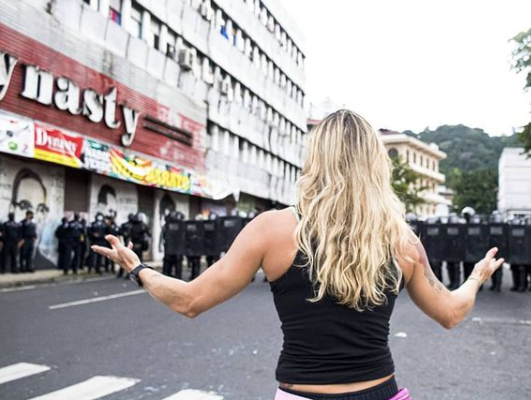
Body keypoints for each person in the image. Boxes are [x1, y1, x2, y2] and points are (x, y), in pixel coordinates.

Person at [93, 110, 504, 400]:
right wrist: (476, 277)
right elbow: (451, 312)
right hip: (381, 392)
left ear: (315, 158)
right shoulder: (402, 240)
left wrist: (139, 269)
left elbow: (189, 300)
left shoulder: (273, 229)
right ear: (377, 165)